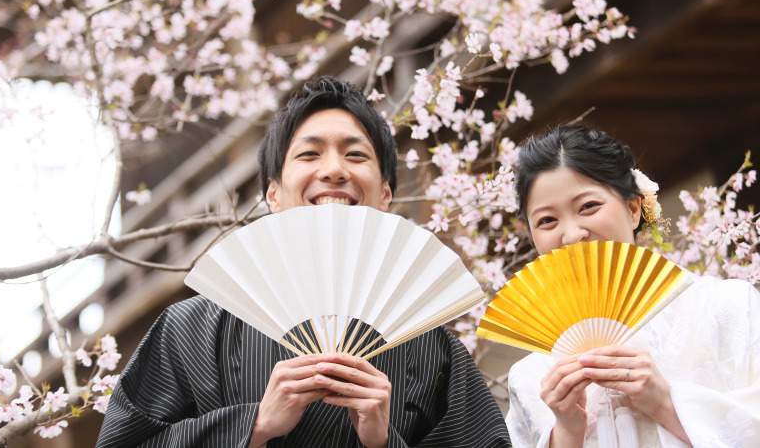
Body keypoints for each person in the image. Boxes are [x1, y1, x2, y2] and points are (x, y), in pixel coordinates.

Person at [96, 76, 511, 447]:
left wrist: (385, 442)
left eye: (356, 155)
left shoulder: (429, 342)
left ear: (385, 195)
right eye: (309, 155)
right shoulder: (194, 328)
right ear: (273, 194)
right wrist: (254, 426)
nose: (333, 170)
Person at [505, 124, 760, 447]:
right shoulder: (530, 375)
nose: (571, 235)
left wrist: (665, 403)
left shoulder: (729, 307)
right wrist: (566, 432)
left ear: (633, 208)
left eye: (588, 206)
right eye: (547, 221)